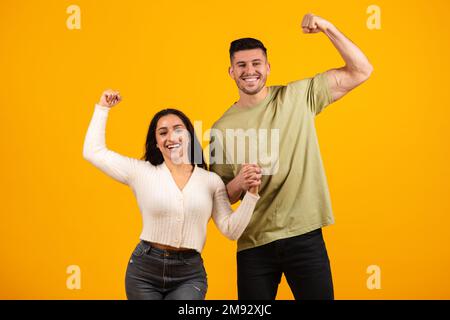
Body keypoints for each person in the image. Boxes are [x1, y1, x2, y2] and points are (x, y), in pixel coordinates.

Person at [209, 13, 373, 300]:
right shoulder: (221, 128)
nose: (250, 71)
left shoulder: (298, 97)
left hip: (304, 236)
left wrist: (327, 27)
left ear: (268, 68)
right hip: (254, 243)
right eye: (242, 65)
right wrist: (239, 182)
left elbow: (361, 70)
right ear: (231, 72)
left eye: (256, 63)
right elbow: (222, 197)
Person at [82, 90, 260, 300]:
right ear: (157, 142)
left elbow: (231, 230)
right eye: (163, 132)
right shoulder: (141, 172)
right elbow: (93, 151)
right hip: (144, 271)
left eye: (178, 129)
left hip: (189, 274)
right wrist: (103, 108)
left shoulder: (210, 181)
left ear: (189, 136)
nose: (171, 137)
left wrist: (251, 195)